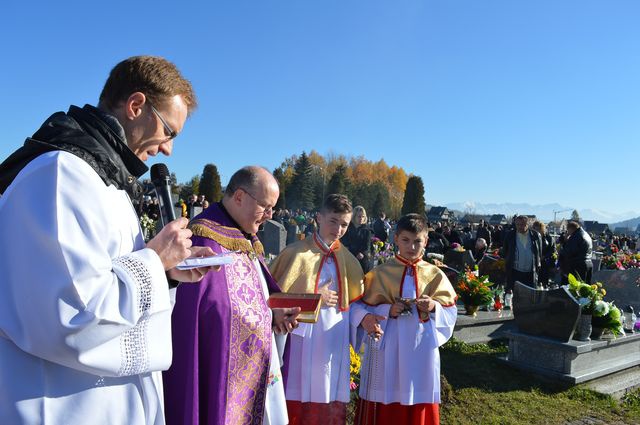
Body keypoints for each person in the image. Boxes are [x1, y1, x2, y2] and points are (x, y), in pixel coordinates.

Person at [0, 56, 214, 424]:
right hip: (62, 404)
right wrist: (153, 262)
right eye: (170, 131)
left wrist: (164, 275)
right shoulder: (60, 175)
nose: (168, 149)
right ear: (136, 106)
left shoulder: (103, 180)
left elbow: (109, 280)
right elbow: (72, 318)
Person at [163, 166, 300, 425]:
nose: (270, 215)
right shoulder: (204, 239)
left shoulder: (245, 237)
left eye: (273, 207)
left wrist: (275, 311)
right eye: (265, 206)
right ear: (239, 197)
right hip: (224, 369)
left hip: (255, 365)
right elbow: (210, 310)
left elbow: (257, 293)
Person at [352, 213, 457, 425]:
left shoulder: (435, 274)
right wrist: (388, 309)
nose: (411, 247)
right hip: (389, 345)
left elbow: (450, 311)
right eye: (406, 240)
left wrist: (434, 306)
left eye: (418, 241)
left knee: (418, 397)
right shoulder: (380, 273)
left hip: (421, 349)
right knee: (386, 397)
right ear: (396, 239)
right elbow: (362, 308)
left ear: (426, 241)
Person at [269, 194, 364, 425]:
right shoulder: (295, 253)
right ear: (318, 218)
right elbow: (273, 297)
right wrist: (314, 296)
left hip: (333, 338)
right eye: (333, 221)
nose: (338, 229)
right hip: (301, 337)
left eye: (344, 224)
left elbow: (355, 303)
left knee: (327, 393)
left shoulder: (348, 260)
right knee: (296, 391)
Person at [502, 215, 542, 291]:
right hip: (515, 272)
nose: (520, 227)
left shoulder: (536, 235)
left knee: (529, 297)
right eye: (518, 224)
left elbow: (539, 253)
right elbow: (505, 252)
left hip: (531, 273)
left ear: (528, 225)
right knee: (514, 296)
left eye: (523, 224)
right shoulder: (510, 235)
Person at [343, 205, 375, 273]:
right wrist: (354, 253)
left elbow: (367, 246)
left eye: (363, 216)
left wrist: (362, 253)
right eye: (359, 216)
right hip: (348, 258)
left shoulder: (367, 230)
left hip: (362, 260)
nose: (361, 218)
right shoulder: (347, 228)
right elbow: (345, 242)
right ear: (354, 216)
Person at [532, 220, 555, 288]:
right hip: (535, 262)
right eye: (535, 228)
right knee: (535, 279)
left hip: (545, 262)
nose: (536, 230)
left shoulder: (549, 238)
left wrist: (544, 256)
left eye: (538, 229)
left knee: (544, 280)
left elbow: (552, 250)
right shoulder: (533, 237)